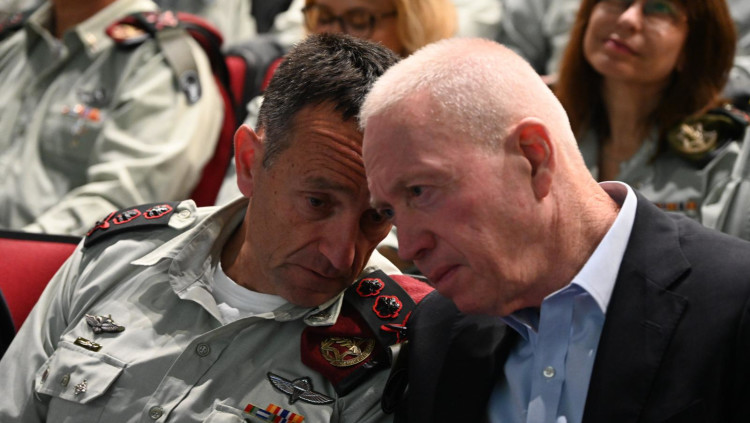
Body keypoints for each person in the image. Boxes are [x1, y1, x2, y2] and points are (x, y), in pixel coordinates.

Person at [0, 33, 431, 422]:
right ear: (249, 163)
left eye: (377, 216)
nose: (342, 254)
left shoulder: (393, 342)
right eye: (317, 203)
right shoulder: (118, 256)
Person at [360, 37, 750, 422]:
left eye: (420, 191)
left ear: (534, 157)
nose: (408, 247)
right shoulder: (437, 330)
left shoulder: (735, 302)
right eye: (389, 211)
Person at [0, 0, 223, 236]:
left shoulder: (157, 60)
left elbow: (122, 205)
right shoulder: (14, 41)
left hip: (50, 254)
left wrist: (13, 250)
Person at [553, 0, 750, 238]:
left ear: (691, 49)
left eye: (659, 8)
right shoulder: (546, 123)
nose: (627, 19)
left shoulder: (726, 155)